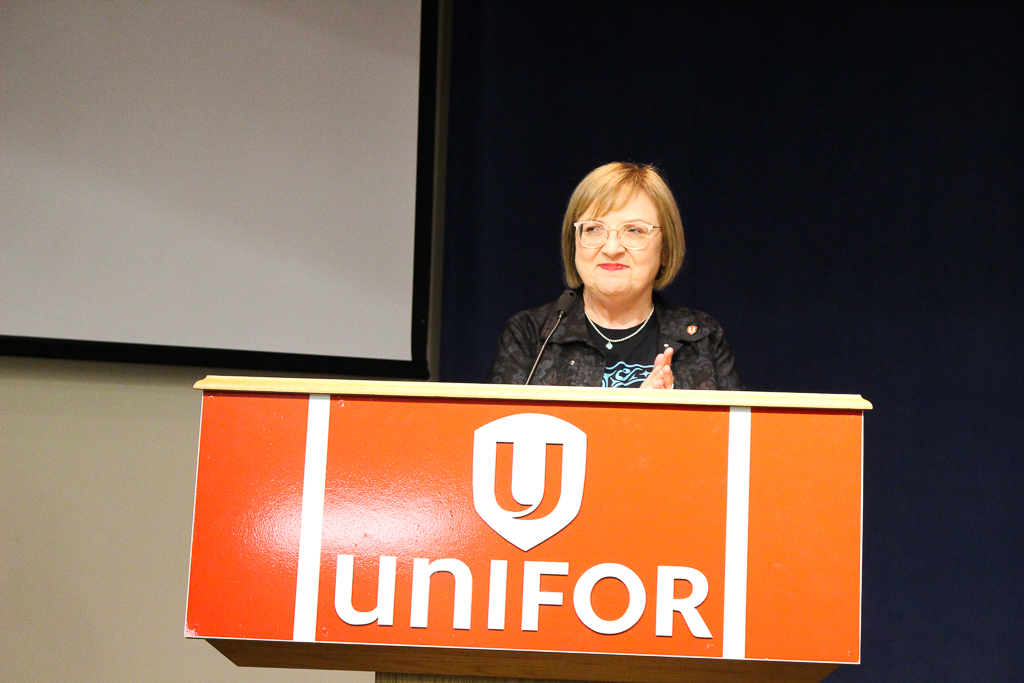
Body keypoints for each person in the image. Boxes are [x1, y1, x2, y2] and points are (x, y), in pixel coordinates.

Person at [487, 162, 743, 390]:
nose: (611, 248)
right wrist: (636, 414)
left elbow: (736, 428)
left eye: (634, 230)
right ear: (574, 244)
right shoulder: (530, 336)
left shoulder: (700, 337)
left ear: (665, 249)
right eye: (593, 229)